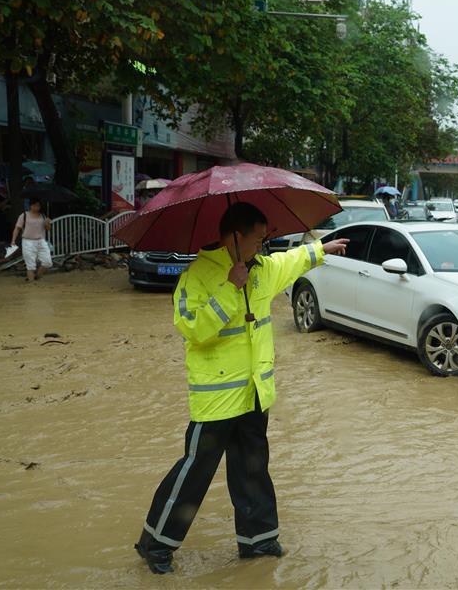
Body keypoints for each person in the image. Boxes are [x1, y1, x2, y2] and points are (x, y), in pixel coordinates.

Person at [134, 202, 349, 574]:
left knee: (252, 470)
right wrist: (230, 290)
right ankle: (155, 543)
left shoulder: (262, 269)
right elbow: (194, 330)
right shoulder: (198, 276)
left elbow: (291, 261)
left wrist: (320, 250)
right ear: (236, 236)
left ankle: (258, 540)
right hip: (216, 399)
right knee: (194, 473)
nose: (263, 245)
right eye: (258, 238)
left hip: (253, 394)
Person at [11, 198, 52, 281]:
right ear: (30, 206)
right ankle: (31, 283)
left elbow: (48, 228)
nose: (36, 207)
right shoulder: (24, 215)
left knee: (47, 262)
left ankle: (37, 276)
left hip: (41, 241)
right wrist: (13, 240)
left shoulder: (43, 216)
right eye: (34, 205)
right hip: (28, 241)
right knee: (30, 264)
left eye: (38, 205)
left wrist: (47, 223)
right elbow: (17, 228)